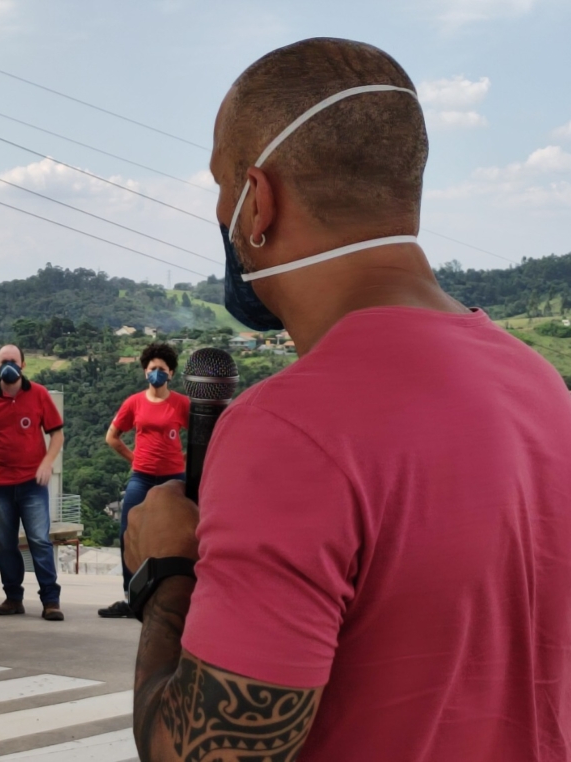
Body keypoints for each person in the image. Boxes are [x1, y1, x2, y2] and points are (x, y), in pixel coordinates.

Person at [125, 38, 571, 762]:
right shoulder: (540, 387)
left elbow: (208, 754)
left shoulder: (287, 429)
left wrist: (167, 574)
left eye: (219, 185)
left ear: (257, 199)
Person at [0, 345, 64, 621]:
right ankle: (13, 597)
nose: (8, 365)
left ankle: (50, 600)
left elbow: (57, 434)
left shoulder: (39, 395)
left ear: (23, 364)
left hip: (32, 483)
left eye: (13, 361)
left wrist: (46, 462)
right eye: (3, 361)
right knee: (3, 543)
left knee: (39, 540)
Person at [99, 342, 189, 619]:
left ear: (171, 373)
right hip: (142, 477)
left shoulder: (181, 403)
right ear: (144, 372)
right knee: (129, 533)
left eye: (162, 369)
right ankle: (132, 598)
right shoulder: (134, 403)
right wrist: (134, 458)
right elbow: (112, 437)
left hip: (175, 479)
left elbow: (203, 438)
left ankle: (181, 596)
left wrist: (184, 460)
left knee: (183, 536)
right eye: (152, 369)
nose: (157, 373)